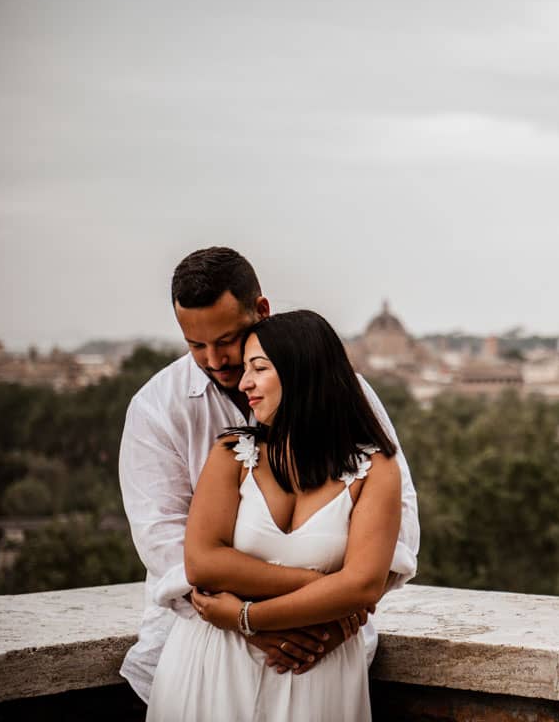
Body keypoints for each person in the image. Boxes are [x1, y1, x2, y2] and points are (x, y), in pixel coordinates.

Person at [119, 247, 420, 704]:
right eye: (195, 345)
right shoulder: (158, 409)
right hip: (206, 650)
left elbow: (398, 535)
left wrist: (327, 606)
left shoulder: (349, 401)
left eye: (226, 340)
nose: (216, 360)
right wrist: (281, 613)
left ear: (261, 310)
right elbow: (171, 551)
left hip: (324, 656)